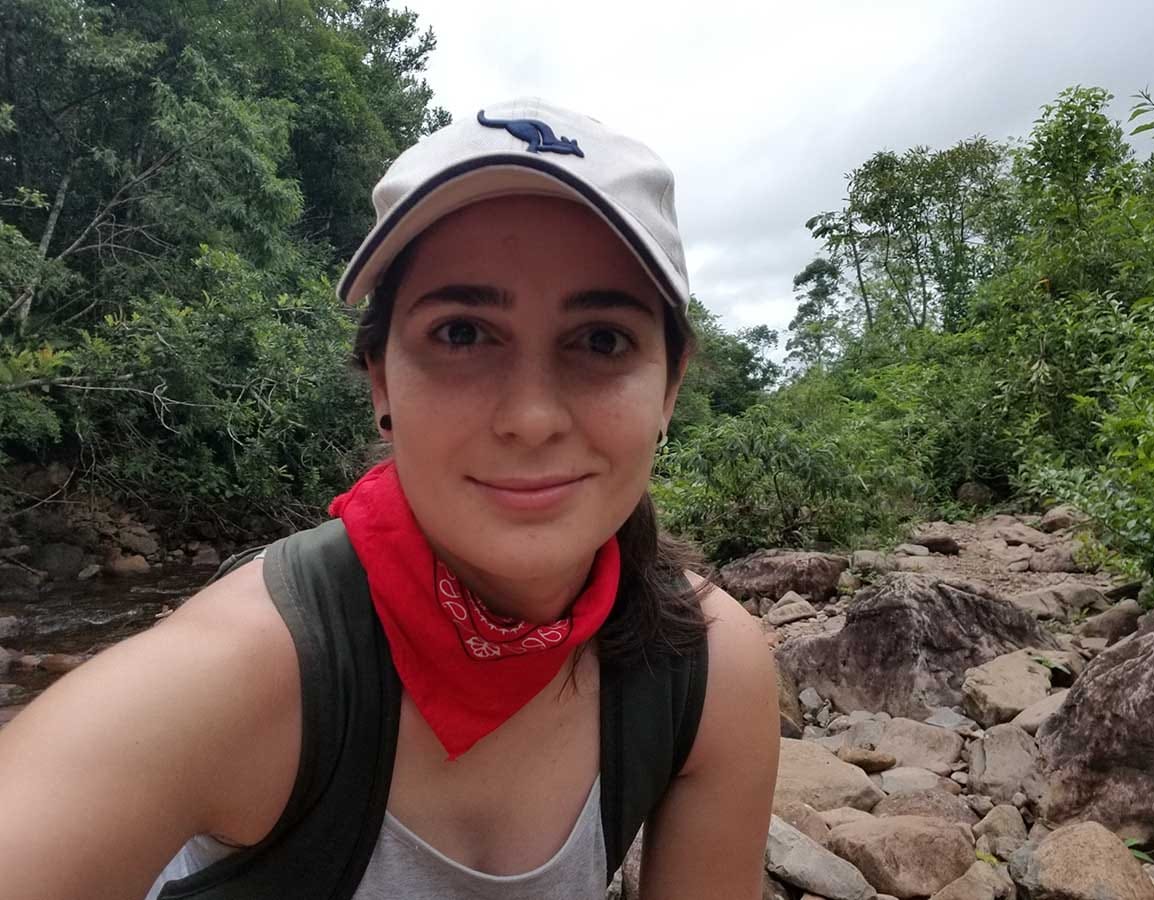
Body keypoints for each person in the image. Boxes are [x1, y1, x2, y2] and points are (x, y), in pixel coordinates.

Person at [0, 98, 779, 899]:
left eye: (602, 341)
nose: (531, 418)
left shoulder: (705, 674)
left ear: (669, 388)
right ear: (380, 381)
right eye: (462, 333)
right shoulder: (237, 675)